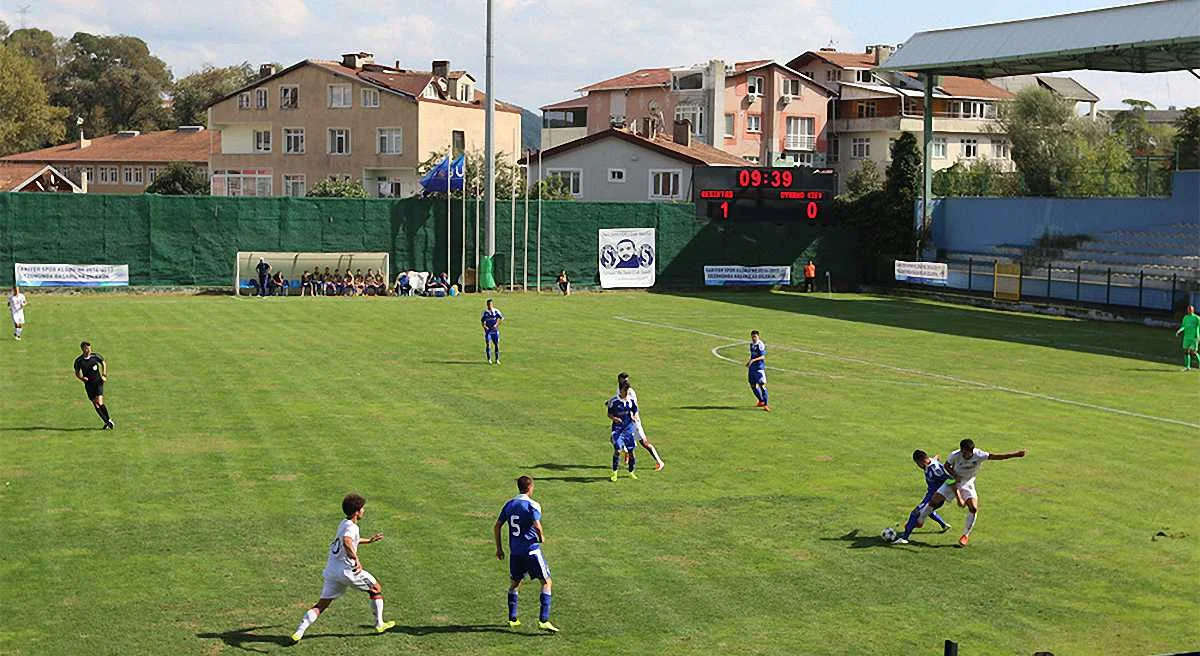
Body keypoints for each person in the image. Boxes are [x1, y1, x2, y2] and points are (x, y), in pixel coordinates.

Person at [291, 493, 395, 642]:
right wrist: (356, 559)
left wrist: (370, 540)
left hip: (332, 571)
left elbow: (351, 540)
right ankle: (379, 624)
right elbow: (347, 541)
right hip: (348, 571)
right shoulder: (352, 528)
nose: (364, 511)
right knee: (376, 588)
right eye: (362, 508)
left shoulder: (343, 523)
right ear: (357, 512)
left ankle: (299, 632)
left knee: (321, 604)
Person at [493, 476, 558, 633]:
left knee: (515, 583)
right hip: (531, 551)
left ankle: (512, 618)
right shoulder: (533, 505)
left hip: (515, 553)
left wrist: (499, 548)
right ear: (530, 488)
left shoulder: (509, 504)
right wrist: (541, 536)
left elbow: (497, 526)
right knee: (546, 582)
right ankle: (543, 620)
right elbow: (536, 524)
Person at [938, 438, 1026, 547]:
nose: (965, 455)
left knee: (973, 508)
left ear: (972, 451)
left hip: (968, 482)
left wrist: (1015, 454)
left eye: (967, 452)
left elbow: (996, 456)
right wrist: (955, 475)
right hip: (954, 481)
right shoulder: (955, 455)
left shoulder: (979, 455)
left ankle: (965, 535)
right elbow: (946, 466)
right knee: (934, 501)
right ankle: (919, 520)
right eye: (963, 452)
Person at [889, 449, 952, 545]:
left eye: (917, 464)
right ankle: (944, 525)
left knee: (915, 513)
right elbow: (935, 458)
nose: (918, 466)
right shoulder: (929, 462)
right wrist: (936, 458)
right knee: (928, 511)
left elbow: (949, 479)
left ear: (920, 461)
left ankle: (904, 538)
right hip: (930, 495)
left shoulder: (935, 470)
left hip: (935, 497)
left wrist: (950, 493)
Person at [617, 372, 664, 471]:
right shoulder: (618, 390)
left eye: (627, 380)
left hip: (634, 422)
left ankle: (660, 462)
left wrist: (635, 415)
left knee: (644, 443)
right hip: (625, 422)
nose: (626, 381)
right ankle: (626, 452)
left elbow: (634, 406)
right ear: (619, 380)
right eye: (624, 379)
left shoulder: (630, 392)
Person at [73, 341, 114, 429]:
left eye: (89, 348)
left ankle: (108, 421)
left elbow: (103, 362)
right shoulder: (79, 361)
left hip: (98, 382)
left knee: (99, 402)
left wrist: (104, 375)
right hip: (89, 385)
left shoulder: (95, 356)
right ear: (83, 349)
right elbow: (76, 372)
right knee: (95, 404)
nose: (89, 350)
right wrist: (81, 378)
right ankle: (107, 421)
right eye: (87, 348)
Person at [607, 379, 640, 482]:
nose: (626, 393)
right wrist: (614, 418)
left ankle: (631, 472)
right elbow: (609, 414)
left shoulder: (630, 401)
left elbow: (635, 410)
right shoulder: (613, 401)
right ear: (620, 390)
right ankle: (614, 472)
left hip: (629, 428)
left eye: (627, 391)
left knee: (631, 451)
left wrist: (634, 416)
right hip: (617, 429)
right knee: (617, 450)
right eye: (624, 391)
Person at [746, 330, 769, 411]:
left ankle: (766, 405)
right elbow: (752, 355)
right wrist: (749, 361)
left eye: (755, 336)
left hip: (759, 369)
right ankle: (761, 401)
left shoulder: (760, 345)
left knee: (762, 386)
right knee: (752, 385)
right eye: (752, 337)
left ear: (758, 337)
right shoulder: (751, 345)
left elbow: (763, 357)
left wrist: (753, 360)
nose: (754, 338)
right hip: (752, 369)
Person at [1176, 305, 1199, 371]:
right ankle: (1187, 367)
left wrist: (1197, 336)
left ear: (1193, 310)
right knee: (1186, 352)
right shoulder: (1185, 317)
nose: (1189, 310)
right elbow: (1184, 326)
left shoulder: (1197, 318)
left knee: (1194, 352)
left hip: (1194, 337)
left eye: (1190, 309)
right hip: (1186, 337)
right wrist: (1179, 331)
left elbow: (1198, 328)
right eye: (1188, 309)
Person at [482, 299, 504, 364]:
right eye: (489, 304)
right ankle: (489, 359)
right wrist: (484, 327)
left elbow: (502, 318)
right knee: (488, 344)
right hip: (488, 331)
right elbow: (482, 322)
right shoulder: (485, 312)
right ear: (487, 305)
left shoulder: (496, 311)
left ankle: (497, 359)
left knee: (496, 344)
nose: (490, 305)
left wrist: (496, 325)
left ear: (492, 304)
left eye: (491, 304)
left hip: (495, 331)